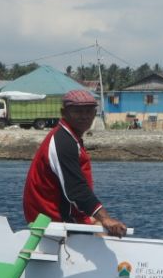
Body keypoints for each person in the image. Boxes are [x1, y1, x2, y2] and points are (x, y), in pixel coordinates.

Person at [23, 89, 128, 237]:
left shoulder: (69, 137)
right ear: (63, 112)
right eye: (78, 112)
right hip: (51, 221)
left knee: (104, 228)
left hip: (57, 216)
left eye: (89, 111)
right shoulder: (63, 142)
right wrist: (105, 218)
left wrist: (97, 217)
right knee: (106, 229)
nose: (84, 116)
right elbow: (76, 189)